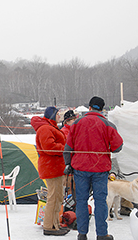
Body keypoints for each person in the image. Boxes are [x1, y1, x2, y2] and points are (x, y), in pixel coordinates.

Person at [64, 96, 123, 240]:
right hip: (100, 169)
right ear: (102, 109)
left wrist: (68, 164)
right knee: (100, 201)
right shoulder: (108, 124)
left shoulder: (77, 124)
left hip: (80, 168)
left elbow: (68, 148)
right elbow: (118, 147)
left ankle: (82, 234)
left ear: (89, 107)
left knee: (82, 201)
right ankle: (102, 234)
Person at [31, 107, 69, 236]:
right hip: (51, 168)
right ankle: (49, 226)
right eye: (58, 114)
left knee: (58, 197)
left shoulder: (50, 127)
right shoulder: (45, 128)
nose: (60, 116)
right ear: (52, 115)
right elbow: (50, 147)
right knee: (53, 197)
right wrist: (66, 148)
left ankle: (55, 224)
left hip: (56, 167)